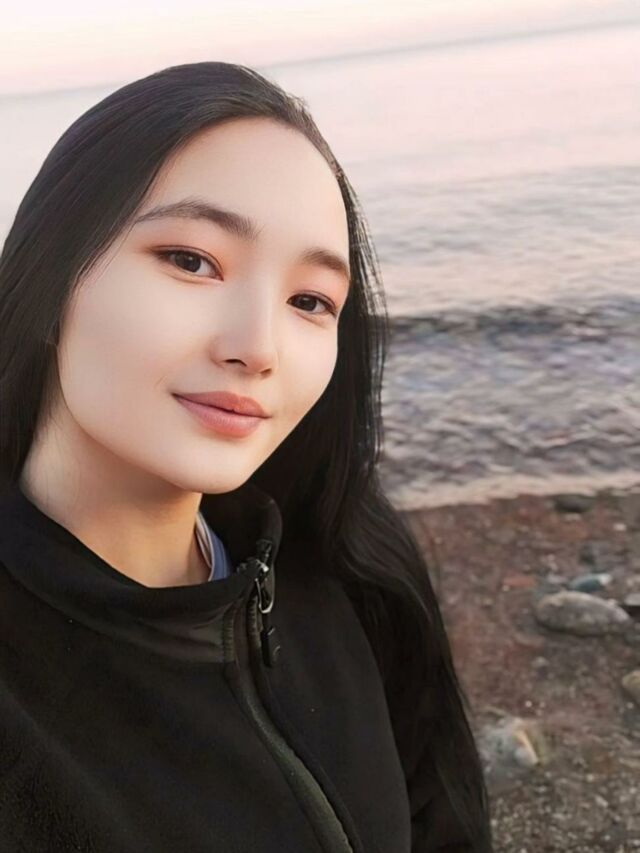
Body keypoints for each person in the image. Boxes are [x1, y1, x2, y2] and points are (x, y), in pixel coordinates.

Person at [0, 61, 493, 852]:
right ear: (52, 279)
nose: (258, 347)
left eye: (310, 301)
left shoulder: (348, 569)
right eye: (192, 260)